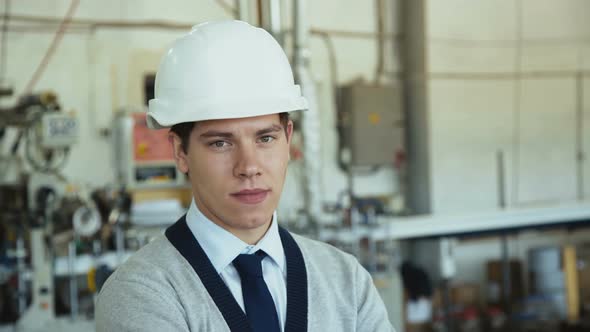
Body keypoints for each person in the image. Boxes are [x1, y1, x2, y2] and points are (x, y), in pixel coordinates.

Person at [96, 20, 394, 332]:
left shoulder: (347, 282)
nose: (248, 166)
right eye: (220, 143)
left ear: (288, 139)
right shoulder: (141, 295)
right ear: (181, 152)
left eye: (265, 138)